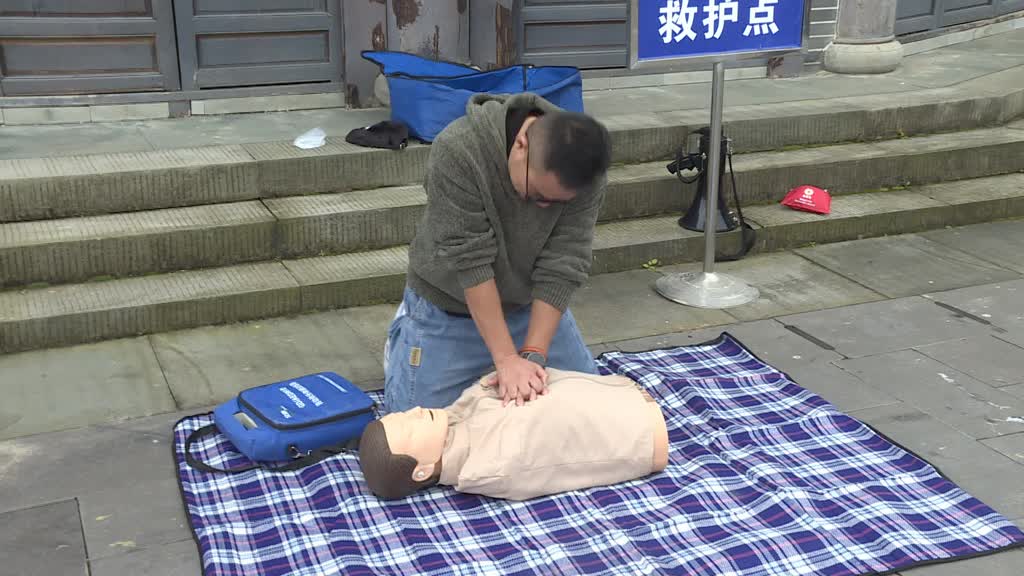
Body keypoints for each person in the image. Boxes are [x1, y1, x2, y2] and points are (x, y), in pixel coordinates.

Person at [383, 92, 613, 413]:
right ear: (521, 145)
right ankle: (406, 334)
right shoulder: (459, 149)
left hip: (526, 307)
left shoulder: (586, 170)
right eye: (539, 195)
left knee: (592, 410)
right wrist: (506, 359)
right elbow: (471, 261)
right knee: (415, 424)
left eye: (557, 203)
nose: (545, 207)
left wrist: (532, 355)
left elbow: (564, 261)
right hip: (449, 307)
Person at [359, 368, 669, 501]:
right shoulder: (485, 468)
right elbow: (536, 435)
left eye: (405, 414)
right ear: (422, 470)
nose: (415, 411)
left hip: (621, 400)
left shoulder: (453, 423)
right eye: (409, 426)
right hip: (641, 434)